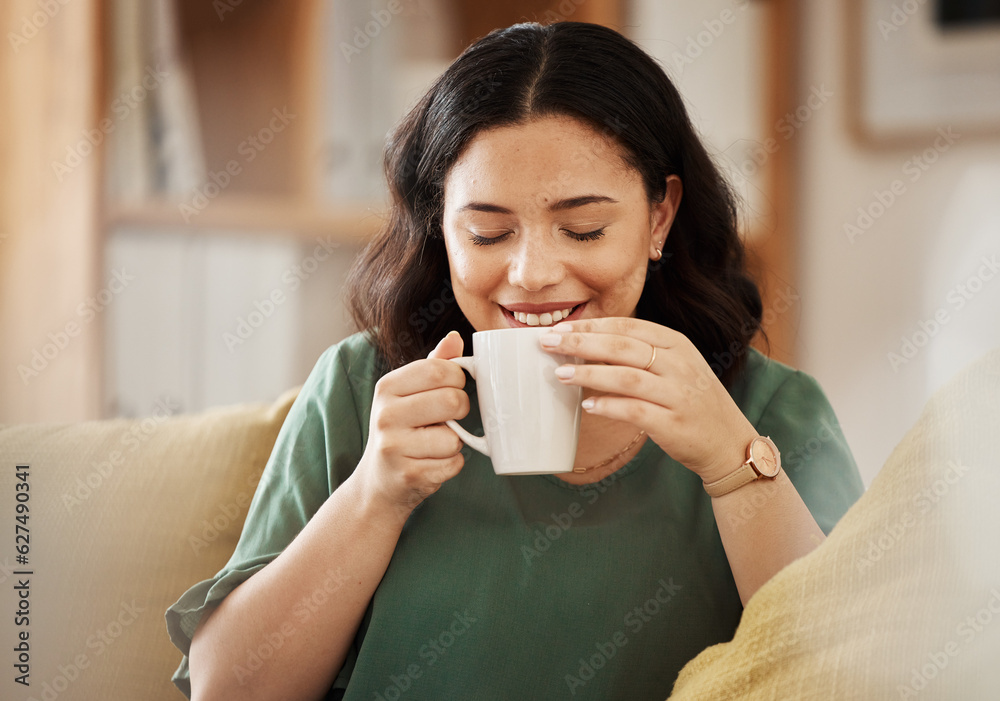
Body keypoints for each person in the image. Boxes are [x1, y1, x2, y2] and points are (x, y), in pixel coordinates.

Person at [166, 21, 864, 701]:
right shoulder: (362, 391)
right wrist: (374, 496)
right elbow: (227, 690)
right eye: (488, 231)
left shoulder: (773, 412)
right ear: (441, 226)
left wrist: (732, 464)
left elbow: (856, 678)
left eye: (583, 228)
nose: (531, 274)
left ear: (660, 216)